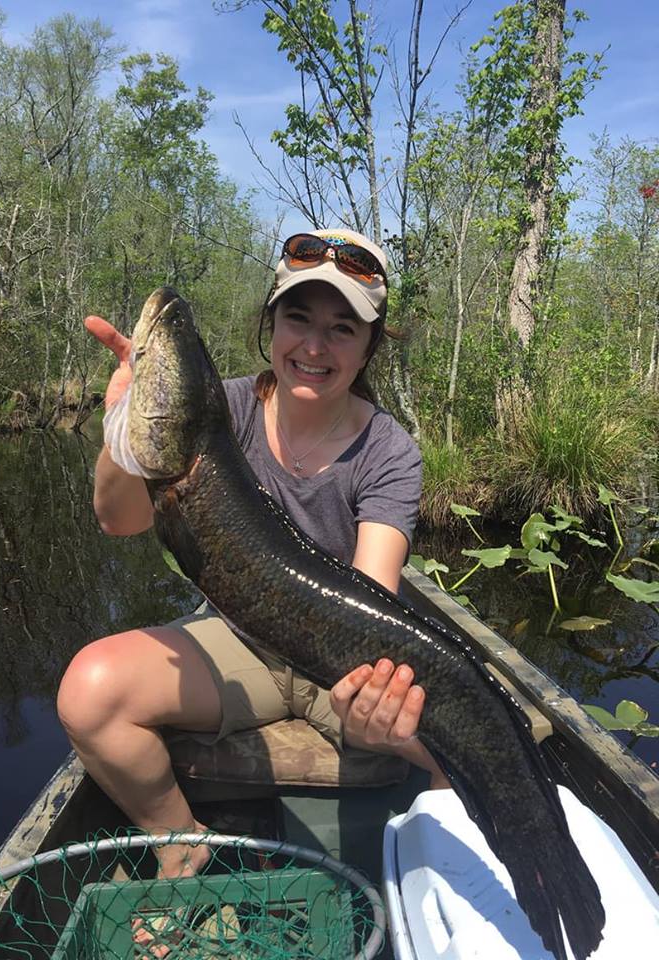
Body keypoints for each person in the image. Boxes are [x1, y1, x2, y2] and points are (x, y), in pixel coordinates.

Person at [57, 227, 449, 882]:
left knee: (466, 749)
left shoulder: (388, 450)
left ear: (368, 347)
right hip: (240, 647)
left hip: (342, 653)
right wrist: (125, 423)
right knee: (89, 692)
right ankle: (181, 845)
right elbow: (118, 519)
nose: (315, 346)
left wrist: (370, 697)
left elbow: (369, 598)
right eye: (298, 318)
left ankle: (428, 885)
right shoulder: (219, 408)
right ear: (271, 322)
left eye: (342, 328)